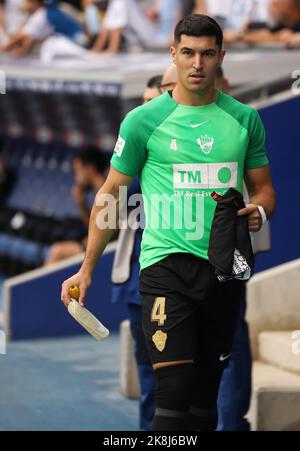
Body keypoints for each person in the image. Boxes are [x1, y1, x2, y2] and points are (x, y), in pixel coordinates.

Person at [61, 14, 276, 431]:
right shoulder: (143, 121)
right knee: (172, 404)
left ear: (220, 57)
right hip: (164, 270)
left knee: (203, 406)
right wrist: (86, 268)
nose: (197, 63)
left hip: (223, 273)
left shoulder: (245, 119)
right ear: (173, 54)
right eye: (189, 53)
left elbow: (265, 189)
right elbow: (110, 194)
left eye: (207, 54)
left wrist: (260, 210)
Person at [110, 75, 163, 431]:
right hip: (133, 276)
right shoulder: (134, 145)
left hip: (170, 276)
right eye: (141, 101)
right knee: (146, 370)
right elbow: (112, 205)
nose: (144, 108)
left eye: (151, 101)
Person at [45, 148, 107, 265]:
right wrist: (81, 203)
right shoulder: (98, 191)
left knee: (57, 252)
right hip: (94, 246)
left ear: (90, 169)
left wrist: (88, 242)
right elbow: (94, 226)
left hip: (106, 249)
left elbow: (112, 230)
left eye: (78, 170)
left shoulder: (107, 191)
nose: (76, 178)